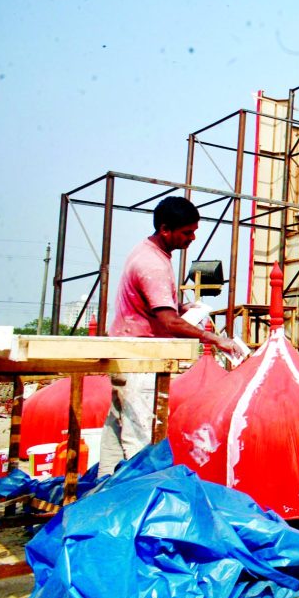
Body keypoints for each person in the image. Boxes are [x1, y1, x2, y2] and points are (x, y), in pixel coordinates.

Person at [98, 196, 243, 475]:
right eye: (187, 232)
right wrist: (216, 339)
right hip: (140, 359)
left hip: (126, 354)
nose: (192, 238)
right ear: (166, 229)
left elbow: (158, 308)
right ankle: (140, 501)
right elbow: (168, 321)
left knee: (117, 431)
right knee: (140, 437)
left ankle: (104, 492)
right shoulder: (152, 265)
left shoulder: (148, 253)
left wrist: (185, 307)